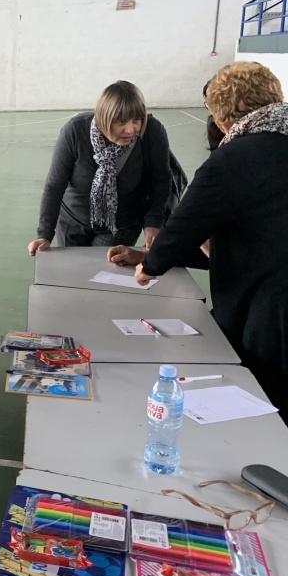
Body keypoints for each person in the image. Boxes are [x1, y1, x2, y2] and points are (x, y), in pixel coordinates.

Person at [109, 62, 288, 420]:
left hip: (271, 309)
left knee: (266, 396)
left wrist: (150, 264)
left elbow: (186, 222)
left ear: (222, 116)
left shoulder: (235, 158)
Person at [28, 81, 172, 255]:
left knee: (104, 268)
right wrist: (44, 234)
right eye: (121, 122)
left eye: (136, 120)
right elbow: (54, 185)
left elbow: (161, 180)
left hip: (121, 225)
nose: (130, 130)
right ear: (104, 118)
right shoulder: (75, 131)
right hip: (73, 221)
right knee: (72, 270)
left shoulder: (152, 132)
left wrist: (153, 222)